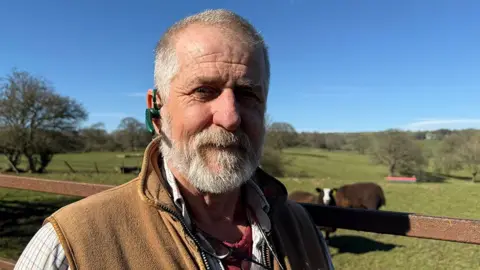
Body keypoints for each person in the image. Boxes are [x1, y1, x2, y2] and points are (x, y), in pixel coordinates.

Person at [14, 9, 334, 270]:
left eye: (248, 94)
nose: (230, 117)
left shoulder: (301, 230)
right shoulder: (72, 244)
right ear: (157, 111)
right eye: (203, 91)